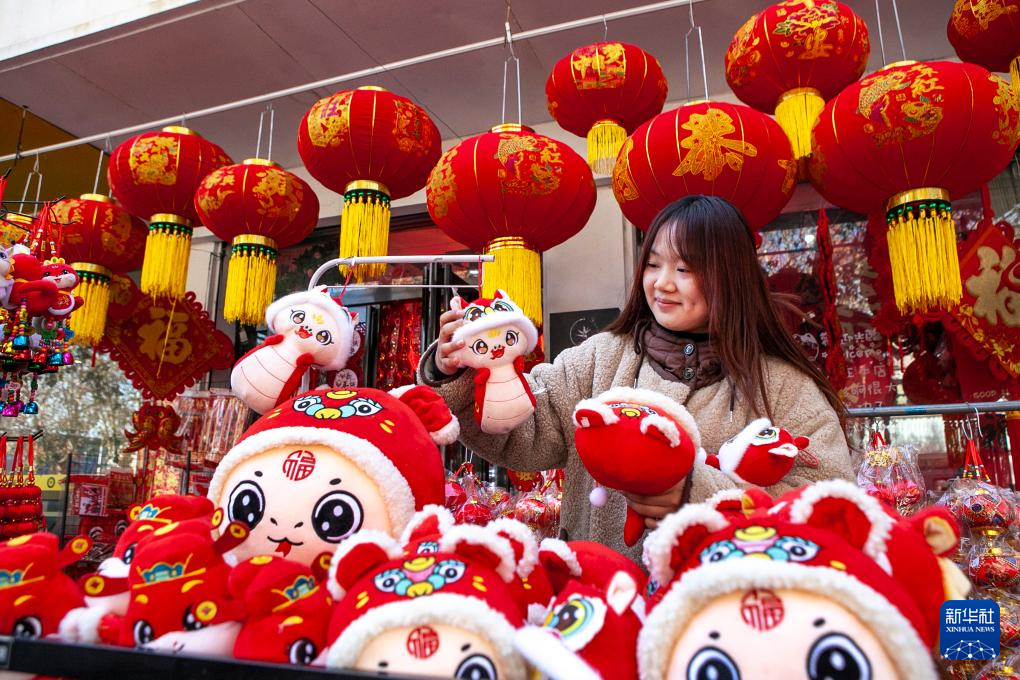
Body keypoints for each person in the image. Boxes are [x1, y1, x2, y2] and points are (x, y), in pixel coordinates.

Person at [417, 195, 852, 562]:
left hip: (720, 616)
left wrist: (698, 494)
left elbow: (827, 507)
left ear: (730, 276)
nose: (662, 284)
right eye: (654, 264)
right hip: (602, 604)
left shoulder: (784, 387)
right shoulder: (599, 358)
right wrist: (460, 370)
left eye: (684, 269)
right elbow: (521, 432)